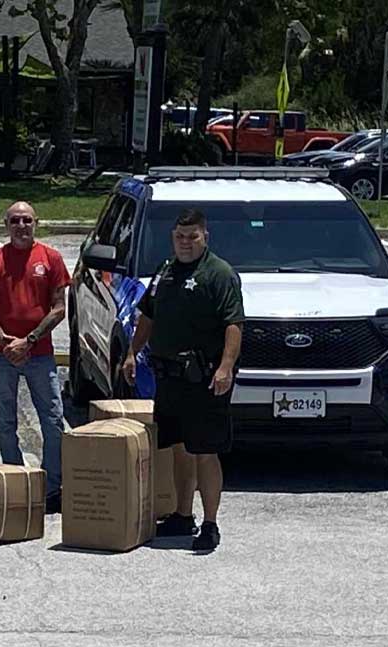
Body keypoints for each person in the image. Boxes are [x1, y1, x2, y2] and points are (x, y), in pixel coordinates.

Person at [123, 208, 244, 552]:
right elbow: (148, 315)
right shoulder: (165, 271)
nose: (186, 243)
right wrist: (132, 352)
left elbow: (234, 324)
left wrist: (226, 367)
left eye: (193, 237)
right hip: (170, 378)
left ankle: (210, 523)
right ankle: (181, 513)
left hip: (204, 379)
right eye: (180, 237)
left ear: (205, 236)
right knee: (178, 448)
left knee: (205, 452)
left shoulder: (218, 274)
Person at [0, 201, 69, 514]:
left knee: (53, 420)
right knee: (5, 421)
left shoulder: (51, 258)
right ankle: (15, 479)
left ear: (36, 223)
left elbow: (59, 308)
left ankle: (52, 486)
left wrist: (28, 341)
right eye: (15, 220)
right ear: (6, 224)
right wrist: (5, 342)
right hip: (2, 354)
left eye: (26, 220)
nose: (21, 225)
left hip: (39, 353)